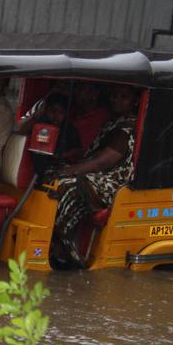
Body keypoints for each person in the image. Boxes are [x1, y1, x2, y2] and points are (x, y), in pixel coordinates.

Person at [50, 85, 140, 268]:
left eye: (124, 97)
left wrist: (72, 170)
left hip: (113, 181)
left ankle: (64, 246)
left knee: (69, 186)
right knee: (52, 174)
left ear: (135, 101)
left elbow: (103, 162)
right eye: (115, 95)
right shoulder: (112, 122)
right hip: (99, 173)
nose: (117, 100)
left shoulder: (127, 127)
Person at [17, 92, 82, 174]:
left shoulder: (69, 129)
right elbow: (20, 131)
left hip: (57, 168)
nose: (56, 115)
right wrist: (36, 115)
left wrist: (61, 156)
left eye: (60, 112)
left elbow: (78, 150)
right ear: (46, 110)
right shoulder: (38, 124)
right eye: (53, 111)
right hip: (32, 168)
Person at [70, 82, 110, 157]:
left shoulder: (100, 117)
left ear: (95, 93)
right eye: (77, 88)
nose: (77, 92)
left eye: (81, 89)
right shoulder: (74, 111)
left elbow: (85, 149)